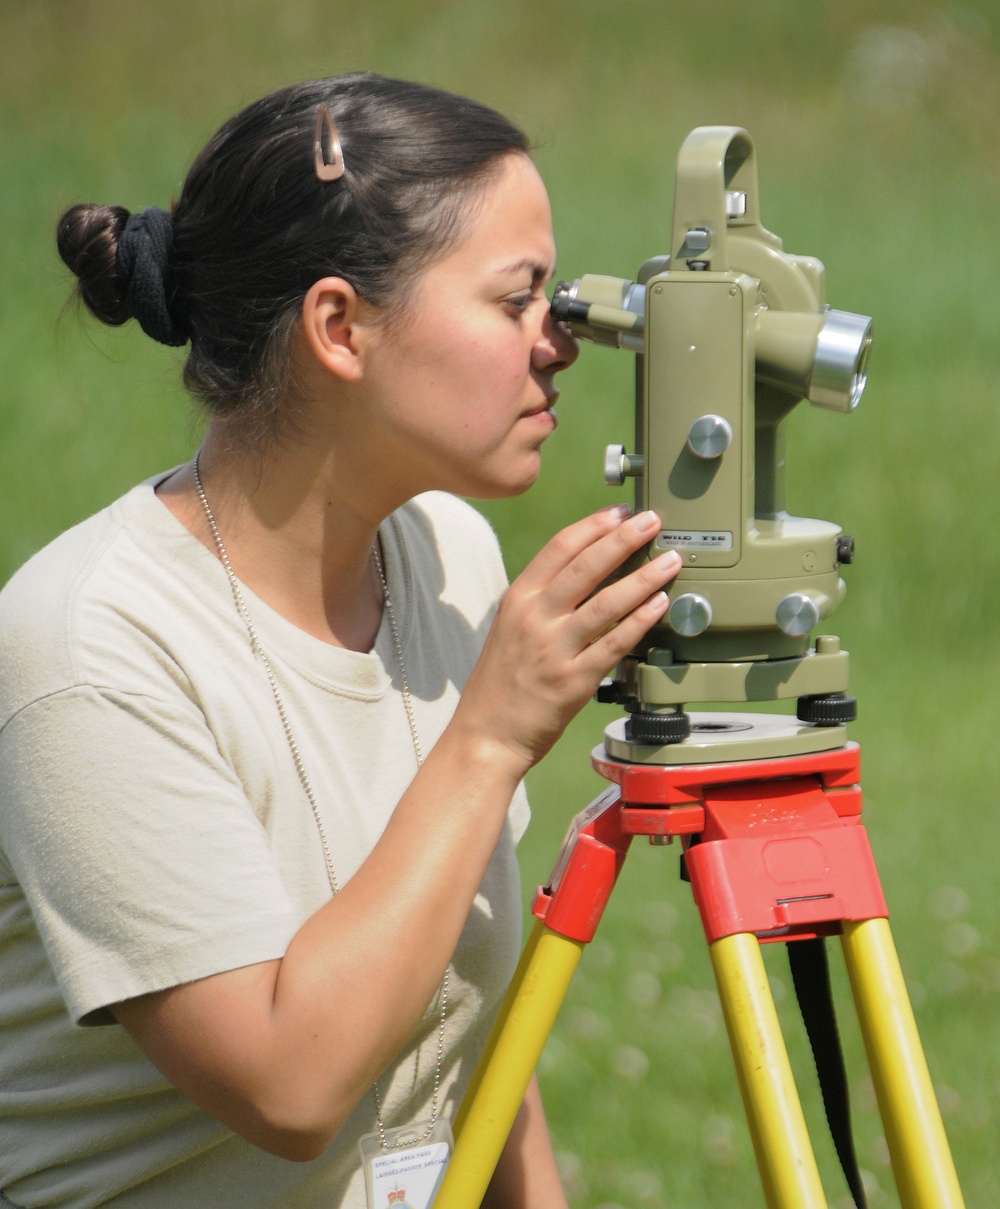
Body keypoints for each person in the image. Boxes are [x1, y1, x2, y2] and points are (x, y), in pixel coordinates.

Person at [0, 73, 681, 1209]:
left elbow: (458, 1009)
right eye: (515, 300)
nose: (558, 341)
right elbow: (286, 1086)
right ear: (339, 327)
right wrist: (492, 731)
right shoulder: (91, 649)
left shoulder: (443, 555)